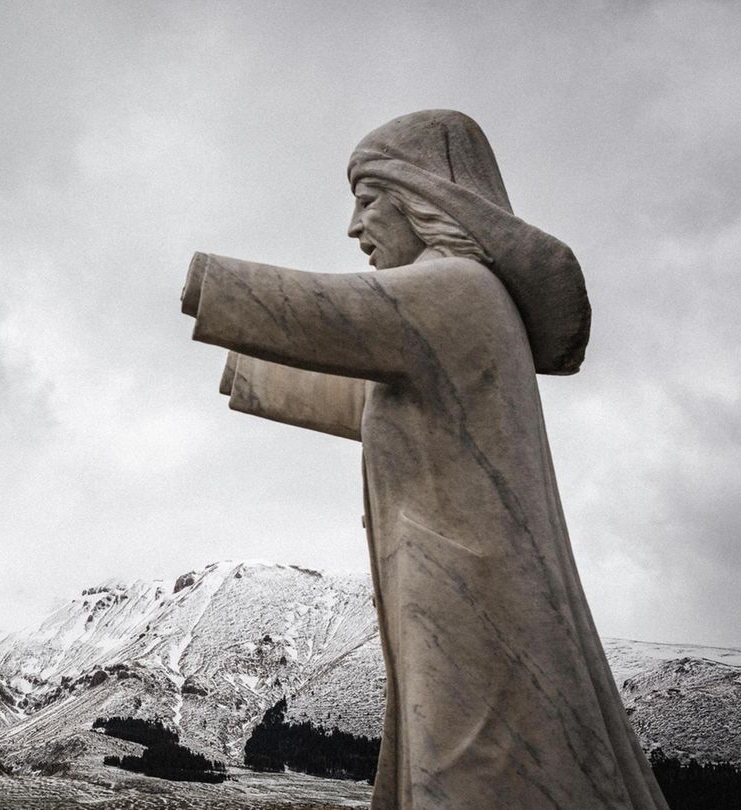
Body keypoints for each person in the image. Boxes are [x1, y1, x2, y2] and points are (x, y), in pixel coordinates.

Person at [181, 110, 669, 809]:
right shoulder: (445, 312)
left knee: (478, 776)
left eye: (368, 200)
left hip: (474, 597)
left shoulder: (459, 288)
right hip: (456, 589)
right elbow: (364, 397)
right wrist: (244, 371)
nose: (354, 227)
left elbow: (323, 313)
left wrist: (198, 282)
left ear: (425, 198)